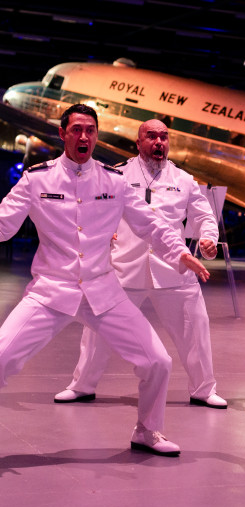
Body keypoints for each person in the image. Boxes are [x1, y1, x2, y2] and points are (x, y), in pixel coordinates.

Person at [0, 104, 211, 456]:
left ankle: (148, 430)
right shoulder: (37, 179)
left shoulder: (113, 181)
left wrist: (179, 253)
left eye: (91, 130)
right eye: (77, 129)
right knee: (2, 353)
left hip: (103, 290)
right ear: (63, 133)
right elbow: (4, 224)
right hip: (52, 290)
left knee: (157, 361)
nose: (84, 136)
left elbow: (150, 224)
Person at [54, 119, 227, 409]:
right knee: (98, 330)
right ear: (138, 143)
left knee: (195, 328)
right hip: (123, 267)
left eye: (164, 137)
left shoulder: (184, 180)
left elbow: (204, 217)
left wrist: (208, 240)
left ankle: (203, 389)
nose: (159, 142)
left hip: (175, 269)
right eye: (151, 137)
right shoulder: (117, 175)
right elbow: (93, 213)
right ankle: (82, 385)